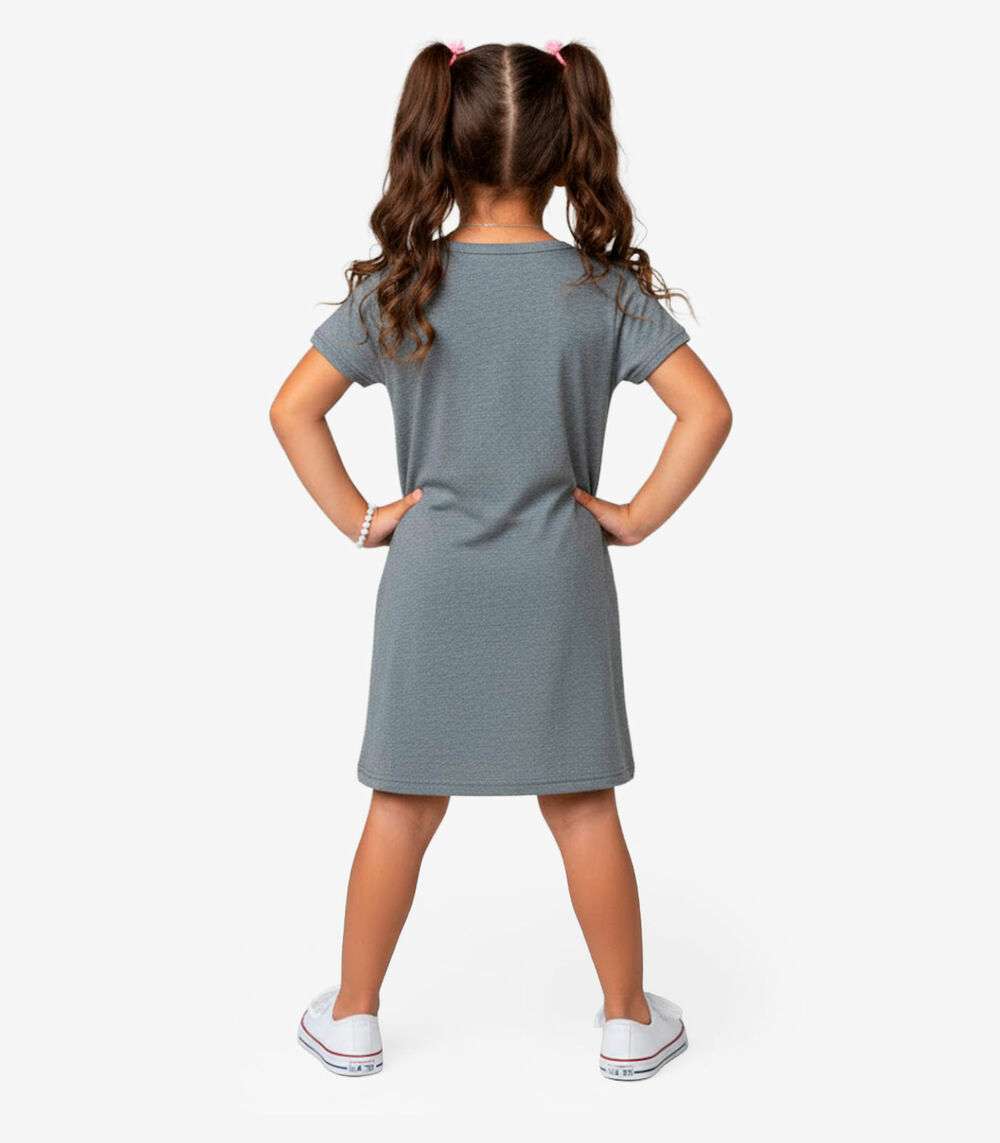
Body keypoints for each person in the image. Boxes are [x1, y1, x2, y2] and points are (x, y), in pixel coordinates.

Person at [270, 39, 732, 1082]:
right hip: (560, 581)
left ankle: (352, 1017)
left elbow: (292, 410)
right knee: (582, 803)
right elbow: (707, 411)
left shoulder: (403, 284)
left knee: (401, 800)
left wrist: (362, 518)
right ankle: (628, 1021)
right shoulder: (600, 290)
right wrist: (634, 516)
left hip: (430, 582)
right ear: (569, 149)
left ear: (440, 141)